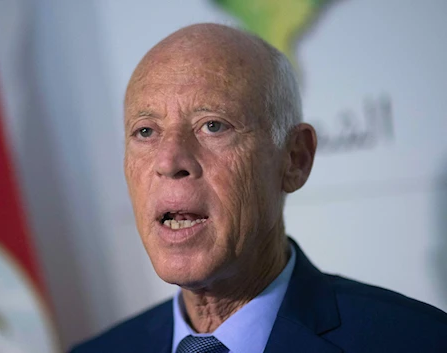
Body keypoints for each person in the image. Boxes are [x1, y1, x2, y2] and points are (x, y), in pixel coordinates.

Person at [71, 23, 447, 353]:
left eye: (213, 125)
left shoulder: (420, 340)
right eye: (146, 131)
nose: (169, 161)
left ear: (294, 159)